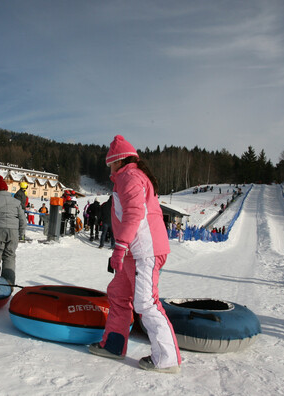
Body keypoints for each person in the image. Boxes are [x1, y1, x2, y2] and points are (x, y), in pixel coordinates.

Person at [88, 135, 181, 374]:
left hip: (144, 251)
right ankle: (113, 345)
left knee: (146, 302)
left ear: (118, 161)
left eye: (110, 163)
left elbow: (134, 213)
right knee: (118, 295)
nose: (109, 168)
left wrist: (120, 246)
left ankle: (167, 358)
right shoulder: (127, 177)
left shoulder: (130, 177)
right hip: (134, 251)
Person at [0, 175, 26, 285]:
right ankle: (8, 284)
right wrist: (21, 234)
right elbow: (23, 220)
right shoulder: (16, 202)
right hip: (13, 232)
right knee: (10, 256)